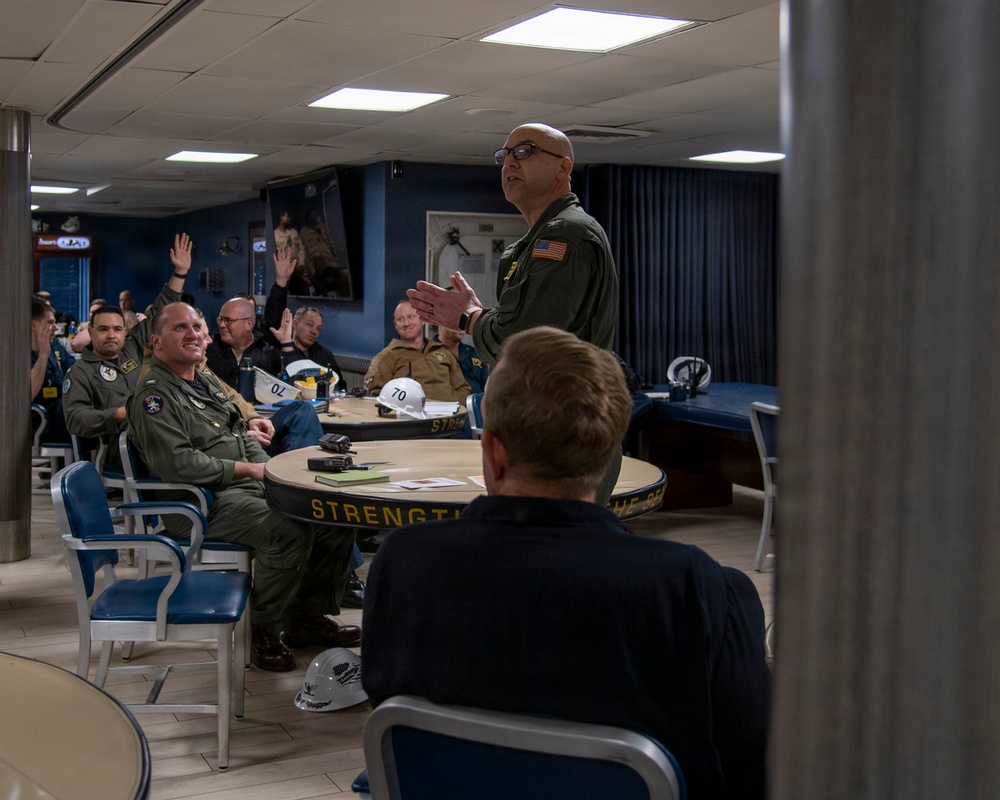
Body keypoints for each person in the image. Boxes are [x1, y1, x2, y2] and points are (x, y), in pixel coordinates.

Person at [362, 327, 770, 800]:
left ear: (493, 451)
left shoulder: (403, 563)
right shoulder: (696, 588)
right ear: (609, 452)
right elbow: (755, 771)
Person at [127, 302, 360, 672]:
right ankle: (263, 632)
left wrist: (273, 473)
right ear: (156, 343)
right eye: (180, 328)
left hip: (242, 488)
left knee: (331, 516)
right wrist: (250, 470)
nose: (193, 334)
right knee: (288, 530)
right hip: (201, 503)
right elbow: (177, 464)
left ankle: (305, 618)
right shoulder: (154, 396)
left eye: (196, 326)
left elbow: (238, 433)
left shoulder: (201, 380)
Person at [406, 122, 620, 499]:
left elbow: (524, 343)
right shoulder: (528, 245)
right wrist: (476, 315)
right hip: (536, 431)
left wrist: (468, 318)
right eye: (504, 156)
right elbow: (516, 332)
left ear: (563, 167)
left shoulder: (564, 235)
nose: (510, 163)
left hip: (561, 437)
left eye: (525, 151)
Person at [63, 234, 193, 471]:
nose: (111, 335)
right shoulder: (80, 372)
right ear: (91, 332)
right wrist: (117, 414)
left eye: (116, 329)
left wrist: (180, 273)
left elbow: (160, 311)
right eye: (103, 329)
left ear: (125, 332)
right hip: (122, 449)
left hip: (162, 431)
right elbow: (75, 419)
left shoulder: (133, 347)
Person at [364, 300, 470, 402]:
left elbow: (463, 388)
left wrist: (455, 406)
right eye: (400, 319)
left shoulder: (444, 352)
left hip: (450, 412)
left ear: (423, 320)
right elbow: (375, 395)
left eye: (411, 317)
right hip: (412, 413)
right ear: (395, 325)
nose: (406, 323)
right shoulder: (386, 357)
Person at [205, 295, 295, 388]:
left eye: (228, 320)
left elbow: (293, 383)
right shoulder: (208, 348)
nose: (221, 325)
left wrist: (286, 343)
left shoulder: (269, 354)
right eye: (220, 319)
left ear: (248, 324)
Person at [30, 297, 73, 443]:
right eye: (50, 323)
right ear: (34, 325)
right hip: (41, 418)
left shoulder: (54, 344)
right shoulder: (18, 355)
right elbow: (27, 394)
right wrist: (43, 355)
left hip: (61, 410)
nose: (55, 328)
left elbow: (72, 367)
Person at [435, 326, 489, 394]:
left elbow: (487, 390)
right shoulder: (427, 353)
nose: (462, 326)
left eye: (463, 322)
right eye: (455, 322)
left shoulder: (475, 354)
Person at [273, 211, 310, 295]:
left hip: (298, 269)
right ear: (281, 218)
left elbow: (301, 248)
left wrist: (301, 264)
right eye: (287, 217)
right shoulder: (275, 235)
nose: (289, 219)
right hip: (285, 271)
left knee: (303, 289)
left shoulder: (294, 232)